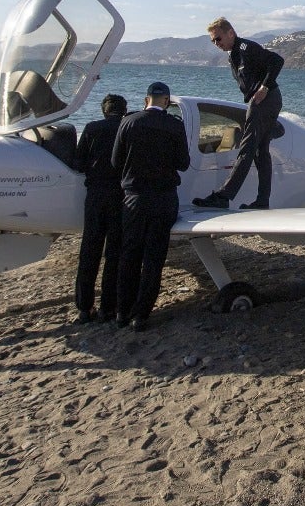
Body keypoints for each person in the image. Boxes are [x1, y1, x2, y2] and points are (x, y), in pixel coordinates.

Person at [112, 82, 190, 331]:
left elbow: (116, 161)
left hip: (134, 198)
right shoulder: (175, 126)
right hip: (164, 198)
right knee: (154, 258)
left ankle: (122, 311)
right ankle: (141, 314)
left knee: (130, 255)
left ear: (147, 100)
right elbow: (183, 163)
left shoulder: (128, 122)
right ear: (166, 101)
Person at [193, 18, 284, 210]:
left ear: (231, 33)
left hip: (264, 100)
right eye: (213, 41)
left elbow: (277, 60)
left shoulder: (245, 48)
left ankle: (224, 196)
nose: (217, 44)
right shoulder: (233, 55)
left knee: (247, 147)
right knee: (260, 152)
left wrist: (264, 88)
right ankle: (262, 201)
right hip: (264, 101)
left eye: (218, 39)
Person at [70, 93, 127, 323]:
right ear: (124, 110)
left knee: (89, 251)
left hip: (95, 196)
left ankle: (84, 308)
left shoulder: (92, 128)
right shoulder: (127, 128)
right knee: (114, 253)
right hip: (120, 195)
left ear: (104, 111)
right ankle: (107, 308)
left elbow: (78, 162)